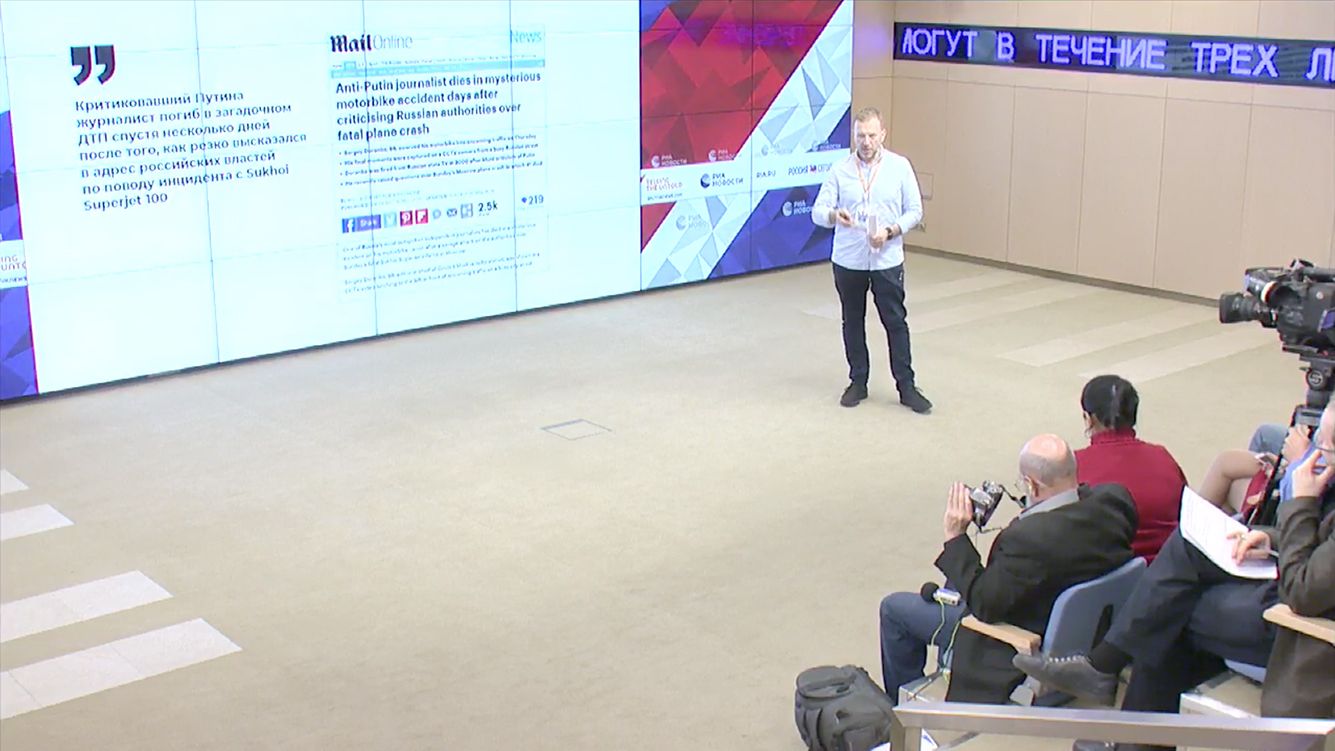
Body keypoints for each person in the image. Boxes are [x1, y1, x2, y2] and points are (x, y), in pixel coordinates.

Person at [1014, 402, 1335, 746]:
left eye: (1327, 447)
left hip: (1304, 627)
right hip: (1298, 586)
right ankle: (1107, 679)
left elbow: (1303, 592)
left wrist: (1301, 502)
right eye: (1319, 441)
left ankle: (1109, 685)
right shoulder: (1160, 458)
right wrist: (1273, 538)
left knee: (1167, 614)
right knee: (1182, 559)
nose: (1317, 453)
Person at [877, 434, 1138, 704]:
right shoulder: (1115, 502)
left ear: (1031, 485)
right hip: (1084, 627)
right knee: (954, 579)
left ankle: (900, 713)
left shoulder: (1027, 540)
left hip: (1015, 640)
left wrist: (955, 536)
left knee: (894, 609)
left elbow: (985, 604)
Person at [812, 106, 931, 413]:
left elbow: (915, 211)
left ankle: (906, 387)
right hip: (849, 260)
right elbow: (817, 211)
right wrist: (833, 215)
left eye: (871, 136)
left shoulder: (899, 167)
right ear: (854, 136)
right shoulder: (839, 170)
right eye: (860, 136)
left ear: (883, 135)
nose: (865, 142)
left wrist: (891, 231)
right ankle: (858, 382)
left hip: (886, 259)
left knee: (895, 322)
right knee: (852, 321)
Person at [1073, 375, 1187, 562]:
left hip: (1108, 571)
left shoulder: (1073, 467)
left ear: (1089, 419)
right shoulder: (1162, 457)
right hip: (1170, 565)